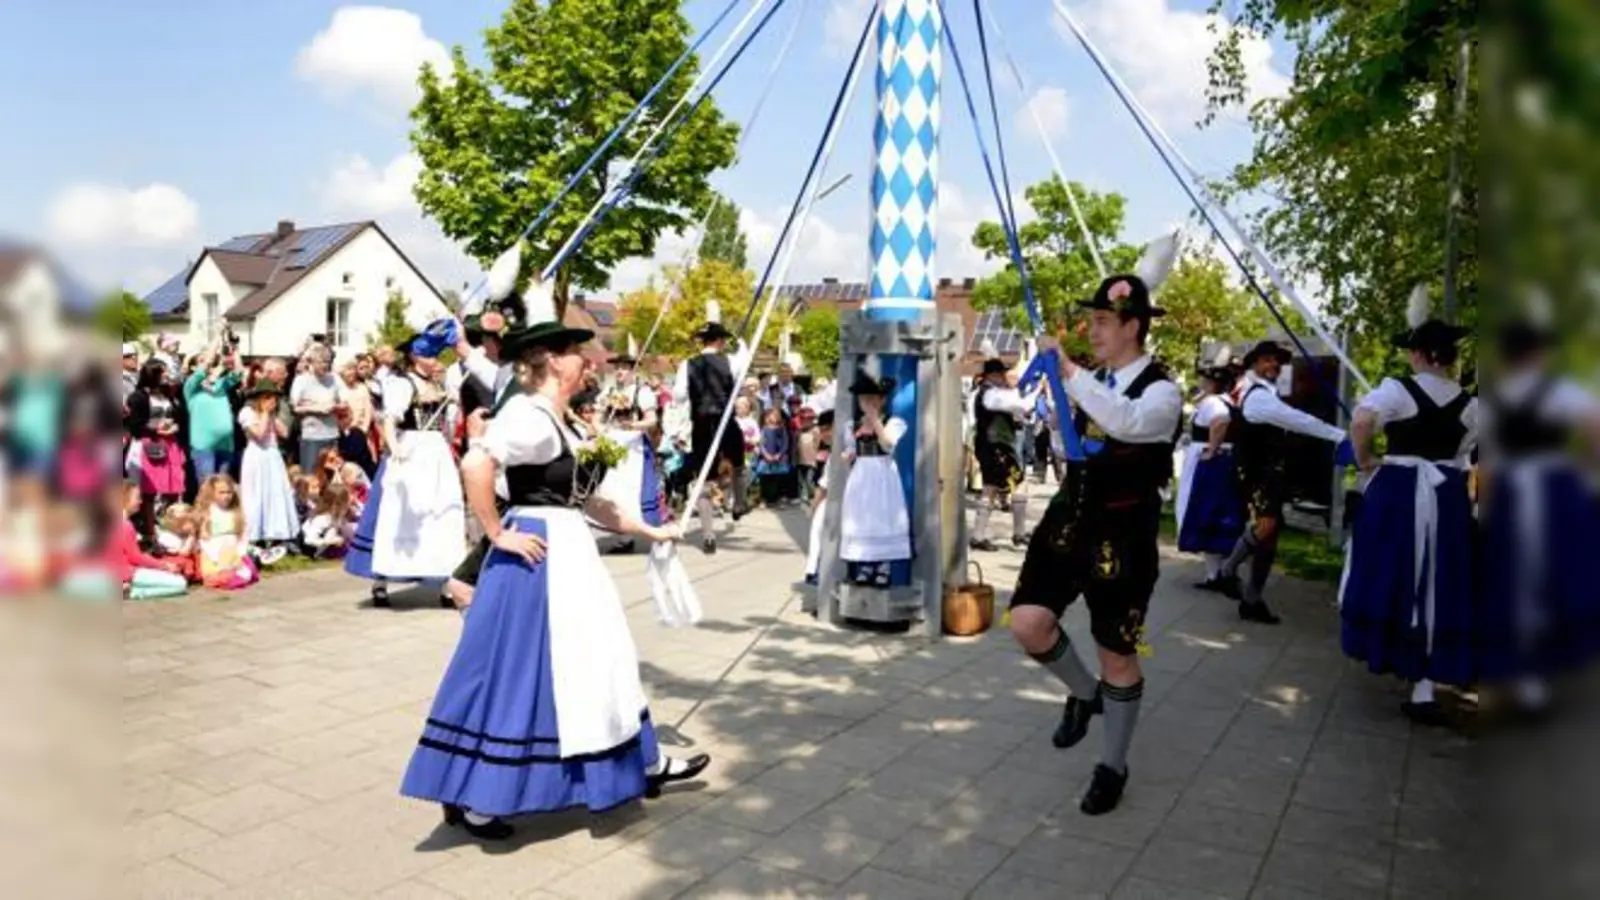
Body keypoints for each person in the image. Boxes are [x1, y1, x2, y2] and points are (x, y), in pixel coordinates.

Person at [400, 314, 708, 841]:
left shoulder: (558, 419)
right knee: (526, 670)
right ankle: (482, 795)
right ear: (549, 362)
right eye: (574, 352)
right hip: (539, 557)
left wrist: (651, 530)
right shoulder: (528, 415)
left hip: (568, 549)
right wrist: (496, 533)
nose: (585, 361)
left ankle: (641, 760)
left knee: (599, 658)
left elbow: (588, 500)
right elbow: (477, 464)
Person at [1010, 273, 1182, 816]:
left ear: (1134, 326)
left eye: (1104, 321)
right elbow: (1080, 436)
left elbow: (1127, 422)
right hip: (1071, 518)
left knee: (1118, 654)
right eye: (1092, 321)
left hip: (1124, 533)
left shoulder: (1163, 391)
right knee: (1027, 623)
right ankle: (1085, 695)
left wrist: (1068, 371)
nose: (1093, 330)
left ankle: (1112, 766)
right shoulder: (1096, 378)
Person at [1340, 313, 1477, 726]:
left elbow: (1361, 421)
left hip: (1397, 492)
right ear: (1450, 358)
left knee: (1391, 570)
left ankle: (1394, 654)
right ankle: (1424, 688)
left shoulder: (1396, 390)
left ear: (1417, 354)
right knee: (1438, 581)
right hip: (1447, 495)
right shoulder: (1474, 406)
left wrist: (1366, 460)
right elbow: (1466, 456)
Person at [1479, 315, 1600, 715]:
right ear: (1535, 353)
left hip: (1511, 493)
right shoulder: (1559, 390)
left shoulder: (1494, 398)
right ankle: (1541, 668)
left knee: (1516, 581)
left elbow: (1489, 461)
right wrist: (1586, 469)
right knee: (1557, 576)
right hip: (1554, 490)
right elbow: (1595, 426)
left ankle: (1524, 671)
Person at [1217, 341, 1348, 623]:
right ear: (1254, 363)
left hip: (1267, 474)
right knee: (1266, 526)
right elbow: (1297, 420)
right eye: (1267, 359)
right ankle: (1227, 571)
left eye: (1277, 361)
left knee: (1269, 535)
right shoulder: (1259, 397)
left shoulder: (1267, 393)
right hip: (1255, 475)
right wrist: (1339, 435)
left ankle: (1252, 599)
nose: (1273, 364)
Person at [345, 330, 466, 607]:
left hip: (436, 452)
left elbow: (448, 422)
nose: (433, 359)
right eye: (428, 355)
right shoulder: (402, 384)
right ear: (414, 356)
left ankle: (445, 581)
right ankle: (381, 581)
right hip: (411, 448)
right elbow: (390, 419)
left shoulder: (439, 383)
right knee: (398, 512)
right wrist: (394, 447)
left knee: (440, 513)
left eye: (435, 354)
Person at [674, 321, 751, 554]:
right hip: (724, 421)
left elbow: (679, 395)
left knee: (704, 480)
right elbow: (744, 364)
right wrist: (742, 344)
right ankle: (739, 502)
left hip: (701, 425)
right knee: (738, 464)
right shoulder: (731, 361)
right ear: (720, 341)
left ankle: (708, 535)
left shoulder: (687, 364)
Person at [836, 372, 911, 587]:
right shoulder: (852, 425)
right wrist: (848, 455)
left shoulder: (893, 422)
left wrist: (875, 420)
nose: (867, 403)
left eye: (872, 398)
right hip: (861, 474)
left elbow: (887, 445)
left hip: (882, 472)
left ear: (882, 400)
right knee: (862, 517)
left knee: (883, 515)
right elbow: (851, 449)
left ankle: (884, 567)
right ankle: (865, 564)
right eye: (863, 399)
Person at [1177, 363, 1248, 589]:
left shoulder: (1213, 403)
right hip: (1225, 460)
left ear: (1212, 383)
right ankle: (1218, 572)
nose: (1202, 383)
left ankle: (1216, 574)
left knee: (1205, 511)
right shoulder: (1229, 402)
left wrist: (1211, 449)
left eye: (1205, 380)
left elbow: (1220, 421)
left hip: (1209, 461)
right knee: (1218, 513)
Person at [970, 358, 1036, 551]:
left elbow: (1018, 412)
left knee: (990, 488)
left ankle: (978, 535)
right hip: (997, 447)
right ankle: (1018, 533)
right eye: (1000, 374)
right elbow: (1022, 406)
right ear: (992, 376)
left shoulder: (989, 393)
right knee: (1019, 484)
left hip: (991, 446)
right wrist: (1038, 389)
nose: (1003, 378)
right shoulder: (991, 394)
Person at [124, 359, 186, 542]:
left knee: (172, 490)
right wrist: (156, 430)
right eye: (163, 372)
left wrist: (176, 426)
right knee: (149, 491)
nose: (166, 375)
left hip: (170, 443)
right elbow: (135, 426)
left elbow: (180, 417)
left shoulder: (168, 394)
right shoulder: (139, 397)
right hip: (148, 446)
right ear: (153, 374)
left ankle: (171, 530)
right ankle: (150, 533)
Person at [237, 383, 300, 549]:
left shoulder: (271, 415)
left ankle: (277, 533)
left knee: (275, 493)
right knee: (256, 494)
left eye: (274, 398)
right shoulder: (247, 413)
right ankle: (255, 535)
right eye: (267, 397)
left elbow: (285, 433)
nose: (272, 401)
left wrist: (271, 416)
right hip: (256, 456)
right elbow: (259, 434)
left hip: (272, 456)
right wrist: (264, 413)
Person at [113, 482, 189, 600]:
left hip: (117, 572)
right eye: (137, 497)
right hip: (127, 572)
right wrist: (164, 566)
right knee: (180, 583)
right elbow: (135, 557)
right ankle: (132, 592)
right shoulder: (125, 525)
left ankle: (127, 589)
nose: (140, 501)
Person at [183, 346, 244, 482]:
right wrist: (216, 340)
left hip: (225, 445)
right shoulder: (191, 388)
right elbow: (205, 366)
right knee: (207, 486)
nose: (209, 363)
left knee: (223, 485)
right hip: (204, 447)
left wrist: (235, 349)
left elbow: (239, 373)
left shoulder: (220, 386)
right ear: (193, 368)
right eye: (201, 360)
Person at [195, 474, 262, 590]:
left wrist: (241, 550)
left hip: (233, 549)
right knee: (218, 574)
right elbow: (203, 538)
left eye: (229, 492)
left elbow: (242, 534)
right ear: (212, 493)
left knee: (243, 570)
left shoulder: (236, 512)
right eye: (221, 492)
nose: (226, 496)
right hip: (213, 550)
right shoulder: (208, 512)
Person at [290, 345, 341, 473]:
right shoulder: (301, 380)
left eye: (328, 362)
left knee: (331, 474)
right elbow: (294, 407)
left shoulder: (334, 379)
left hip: (332, 434)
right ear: (312, 362)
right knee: (310, 474)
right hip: (312, 436)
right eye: (322, 362)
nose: (326, 365)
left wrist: (336, 407)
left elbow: (342, 402)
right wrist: (316, 409)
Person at [801, 411, 837, 583]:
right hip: (830, 500)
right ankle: (814, 571)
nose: (824, 434)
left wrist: (814, 505)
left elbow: (824, 486)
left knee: (822, 533)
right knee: (818, 532)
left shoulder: (841, 453)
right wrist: (814, 505)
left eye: (828, 429)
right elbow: (822, 484)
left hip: (839, 501)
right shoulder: (829, 453)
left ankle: (819, 571)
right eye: (821, 430)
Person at [335, 357, 378, 477]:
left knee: (367, 464)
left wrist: (364, 429)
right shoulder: (338, 390)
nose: (352, 372)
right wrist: (344, 429)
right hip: (344, 432)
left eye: (353, 369)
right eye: (348, 369)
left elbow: (368, 410)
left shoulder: (362, 388)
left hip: (361, 431)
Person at [754, 407, 793, 508]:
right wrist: (766, 455)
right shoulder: (763, 429)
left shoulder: (782, 429)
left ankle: (776, 500)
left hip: (779, 459)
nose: (773, 417)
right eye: (770, 415)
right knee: (765, 479)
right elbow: (761, 444)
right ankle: (765, 499)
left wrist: (779, 454)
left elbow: (785, 443)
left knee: (778, 480)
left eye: (775, 415)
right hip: (766, 459)